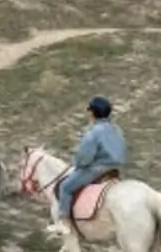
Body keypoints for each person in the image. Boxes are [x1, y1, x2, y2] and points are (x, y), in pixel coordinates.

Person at [46, 96, 127, 236]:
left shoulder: (93, 132)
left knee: (65, 187)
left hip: (97, 169)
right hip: (115, 169)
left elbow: (85, 158)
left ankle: (63, 222)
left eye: (89, 111)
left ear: (93, 113)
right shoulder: (116, 129)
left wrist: (77, 163)